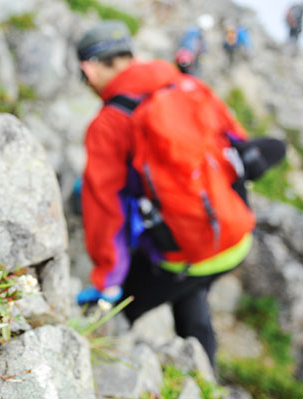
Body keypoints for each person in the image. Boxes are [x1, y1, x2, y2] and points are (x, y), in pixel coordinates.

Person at [74, 20, 283, 367]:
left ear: (90, 67)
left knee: (115, 312)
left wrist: (107, 284)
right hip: (235, 237)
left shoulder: (109, 123)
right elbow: (236, 137)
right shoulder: (184, 82)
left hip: (183, 253)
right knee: (192, 295)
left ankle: (96, 365)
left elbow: (104, 209)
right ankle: (206, 380)